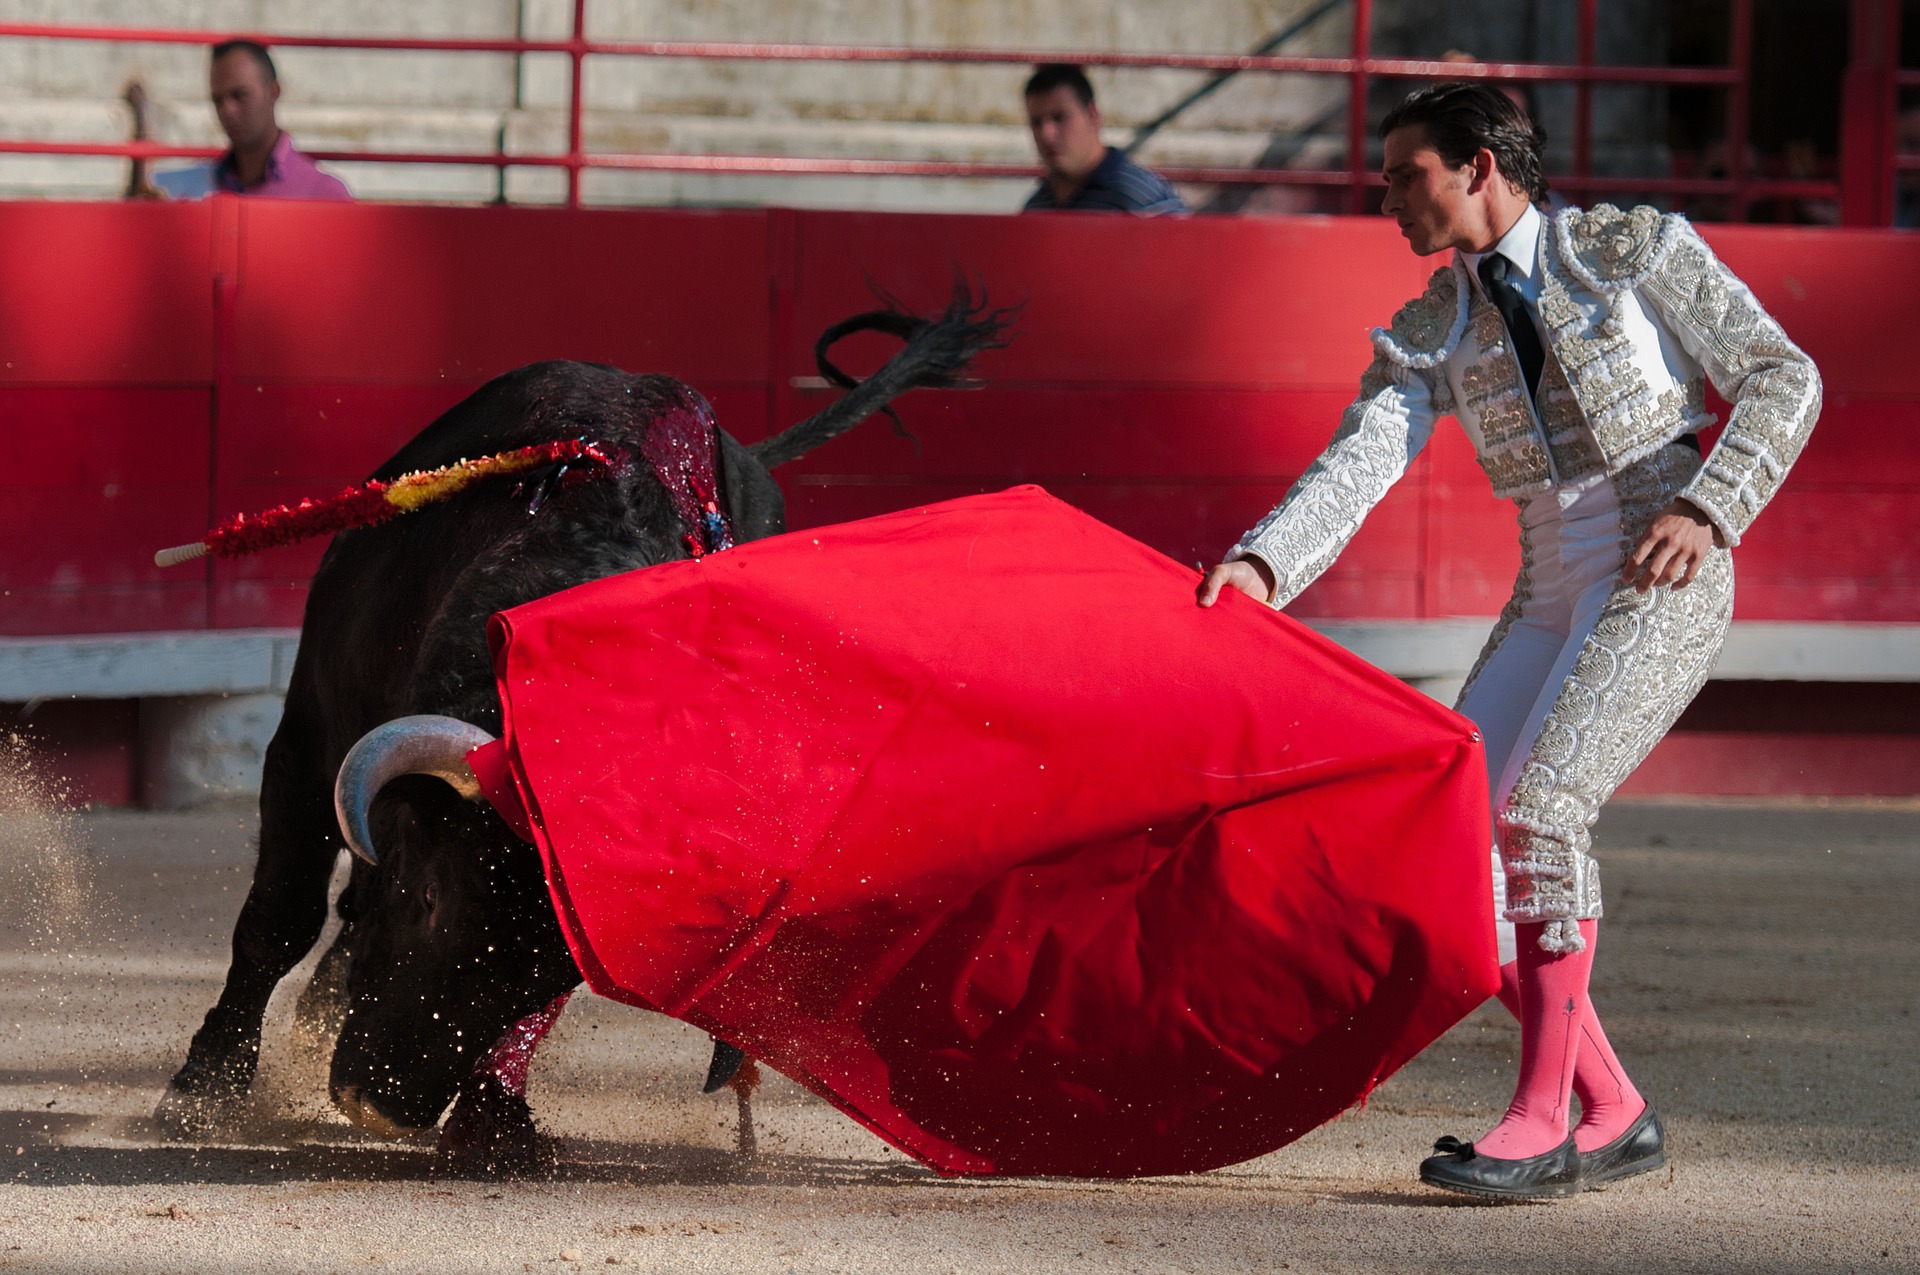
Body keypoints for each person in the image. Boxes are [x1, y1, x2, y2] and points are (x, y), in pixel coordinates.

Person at [1198, 83, 1820, 1199]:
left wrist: (1710, 502)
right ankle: (1614, 1107)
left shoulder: (1633, 250)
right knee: (1449, 837)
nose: (1386, 196)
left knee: (1539, 813)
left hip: (1664, 560)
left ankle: (1543, 1122)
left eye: (1404, 174)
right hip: (1552, 584)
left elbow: (1783, 374)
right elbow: (1362, 457)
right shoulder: (1435, 321)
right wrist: (1262, 566)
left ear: (1479, 166)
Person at [147, 40, 351, 201]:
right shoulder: (185, 190)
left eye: (240, 95)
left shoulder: (325, 193)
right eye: (218, 100)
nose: (227, 110)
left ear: (274, 92)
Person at [1021, 64, 1186, 216]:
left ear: (1093, 115)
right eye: (1036, 122)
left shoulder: (1142, 200)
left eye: (1060, 117)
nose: (1047, 134)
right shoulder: (1036, 207)